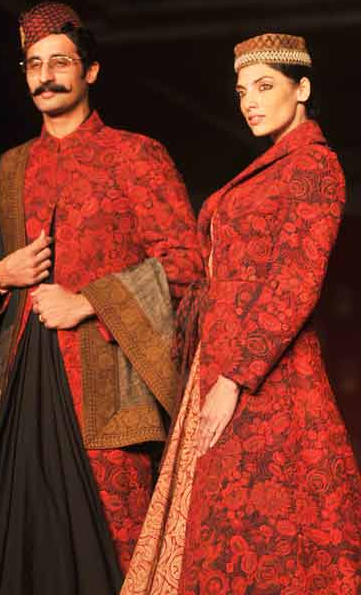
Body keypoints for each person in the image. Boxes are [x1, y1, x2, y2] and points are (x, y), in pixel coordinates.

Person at [0, 1, 203, 594]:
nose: (45, 77)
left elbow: (187, 266)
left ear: (90, 71)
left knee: (115, 557)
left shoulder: (136, 156)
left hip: (108, 399)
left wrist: (88, 301)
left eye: (60, 62)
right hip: (14, 392)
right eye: (34, 64)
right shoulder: (7, 170)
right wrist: (0, 275)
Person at [121, 33, 361, 594]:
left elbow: (295, 282)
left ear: (302, 89)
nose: (249, 102)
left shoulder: (315, 166)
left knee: (256, 530)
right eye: (241, 91)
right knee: (223, 521)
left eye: (264, 86)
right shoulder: (273, 166)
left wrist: (234, 377)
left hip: (266, 374)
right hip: (219, 361)